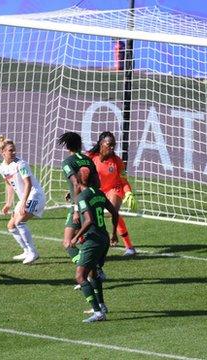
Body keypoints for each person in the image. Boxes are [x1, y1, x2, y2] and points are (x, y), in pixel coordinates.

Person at [71, 167, 118, 323]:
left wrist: (76, 237)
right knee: (93, 273)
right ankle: (102, 305)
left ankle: (98, 312)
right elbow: (115, 212)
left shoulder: (83, 197)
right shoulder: (99, 193)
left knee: (80, 276)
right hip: (103, 238)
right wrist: (114, 234)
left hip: (92, 241)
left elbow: (89, 219)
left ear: (77, 181)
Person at [87, 131, 137, 256]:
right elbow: (81, 176)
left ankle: (128, 246)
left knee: (113, 212)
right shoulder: (90, 157)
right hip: (97, 190)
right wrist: (71, 191)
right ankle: (84, 239)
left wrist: (129, 193)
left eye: (114, 145)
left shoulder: (117, 161)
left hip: (114, 189)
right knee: (85, 212)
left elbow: (124, 181)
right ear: (101, 144)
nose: (112, 147)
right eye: (109, 144)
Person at [0, 136, 44, 264]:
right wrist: (8, 203)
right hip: (25, 197)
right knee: (11, 226)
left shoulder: (20, 164)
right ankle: (26, 251)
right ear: (3, 153)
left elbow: (28, 184)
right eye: (10, 150)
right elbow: (9, 184)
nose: (13, 153)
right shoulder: (2, 168)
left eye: (14, 150)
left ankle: (33, 252)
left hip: (35, 195)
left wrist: (23, 203)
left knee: (19, 222)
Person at [57, 132, 101, 265]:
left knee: (68, 243)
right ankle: (94, 269)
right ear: (80, 145)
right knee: (86, 240)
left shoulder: (67, 162)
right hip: (93, 203)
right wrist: (72, 192)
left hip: (80, 205)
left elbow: (76, 183)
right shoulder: (88, 160)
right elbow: (97, 184)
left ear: (67, 147)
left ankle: (90, 272)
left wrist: (76, 209)